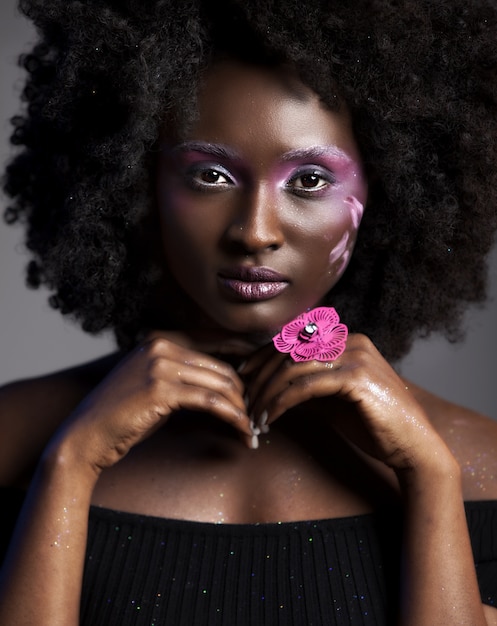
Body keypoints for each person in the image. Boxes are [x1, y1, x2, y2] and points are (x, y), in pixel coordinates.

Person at [1, 0, 497, 623]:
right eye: (209, 174)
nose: (255, 232)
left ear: (392, 188)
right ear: (134, 181)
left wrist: (429, 475)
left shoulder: (479, 466)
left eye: (311, 181)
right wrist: (70, 466)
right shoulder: (16, 438)